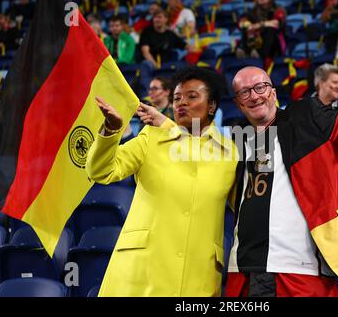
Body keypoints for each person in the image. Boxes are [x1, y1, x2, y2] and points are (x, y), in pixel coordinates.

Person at [226, 45, 338, 297]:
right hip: (244, 268)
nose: (254, 96)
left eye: (260, 87)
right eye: (244, 92)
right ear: (238, 103)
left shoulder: (307, 115)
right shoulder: (236, 139)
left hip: (300, 267)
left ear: (272, 92)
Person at [85, 67, 238, 296]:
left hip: (197, 279)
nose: (181, 103)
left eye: (192, 96)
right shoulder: (150, 138)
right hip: (140, 274)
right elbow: (101, 171)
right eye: (177, 98)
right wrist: (111, 130)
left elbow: (245, 211)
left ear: (212, 106)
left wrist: (168, 126)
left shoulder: (230, 154)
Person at [138, 8, 190, 98]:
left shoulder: (170, 34)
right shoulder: (147, 32)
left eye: (159, 17)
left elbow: (186, 46)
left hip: (166, 64)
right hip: (151, 63)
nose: (156, 19)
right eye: (155, 17)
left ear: (166, 19)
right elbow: (145, 52)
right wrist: (155, 66)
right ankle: (149, 95)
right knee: (145, 64)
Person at [235, 0, 286, 68]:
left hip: (274, 45)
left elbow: (276, 23)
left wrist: (257, 25)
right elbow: (241, 23)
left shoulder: (278, 9)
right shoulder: (253, 10)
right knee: (246, 28)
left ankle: (259, 55)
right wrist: (247, 24)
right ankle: (244, 51)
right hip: (257, 40)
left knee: (270, 29)